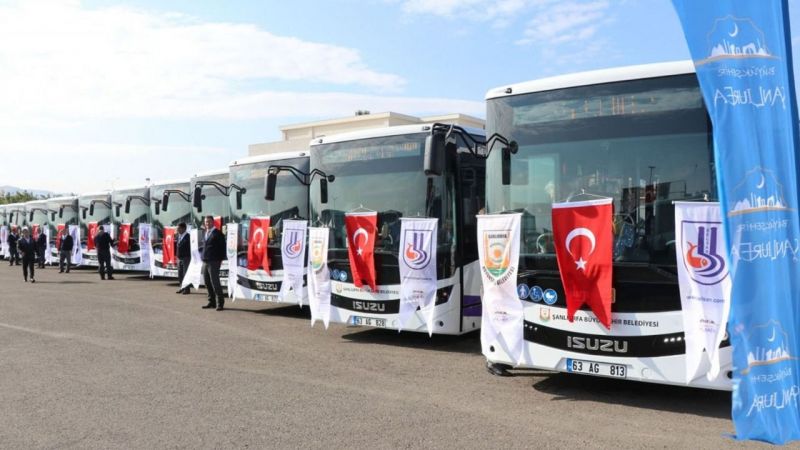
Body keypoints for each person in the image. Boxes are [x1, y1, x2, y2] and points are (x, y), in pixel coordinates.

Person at [201, 215, 226, 310]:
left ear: (213, 222)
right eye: (206, 222)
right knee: (207, 282)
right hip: (205, 261)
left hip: (214, 261)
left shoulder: (218, 233)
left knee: (215, 282)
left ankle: (220, 303)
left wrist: (220, 260)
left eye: (209, 222)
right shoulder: (205, 232)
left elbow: (222, 248)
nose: (207, 223)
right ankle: (211, 302)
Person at [175, 222, 191, 295]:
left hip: (186, 257)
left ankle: (187, 289)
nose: (177, 230)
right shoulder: (178, 236)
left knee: (185, 274)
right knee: (180, 274)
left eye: (179, 228)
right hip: (179, 258)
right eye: (177, 228)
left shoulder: (188, 236)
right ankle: (182, 287)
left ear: (184, 228)